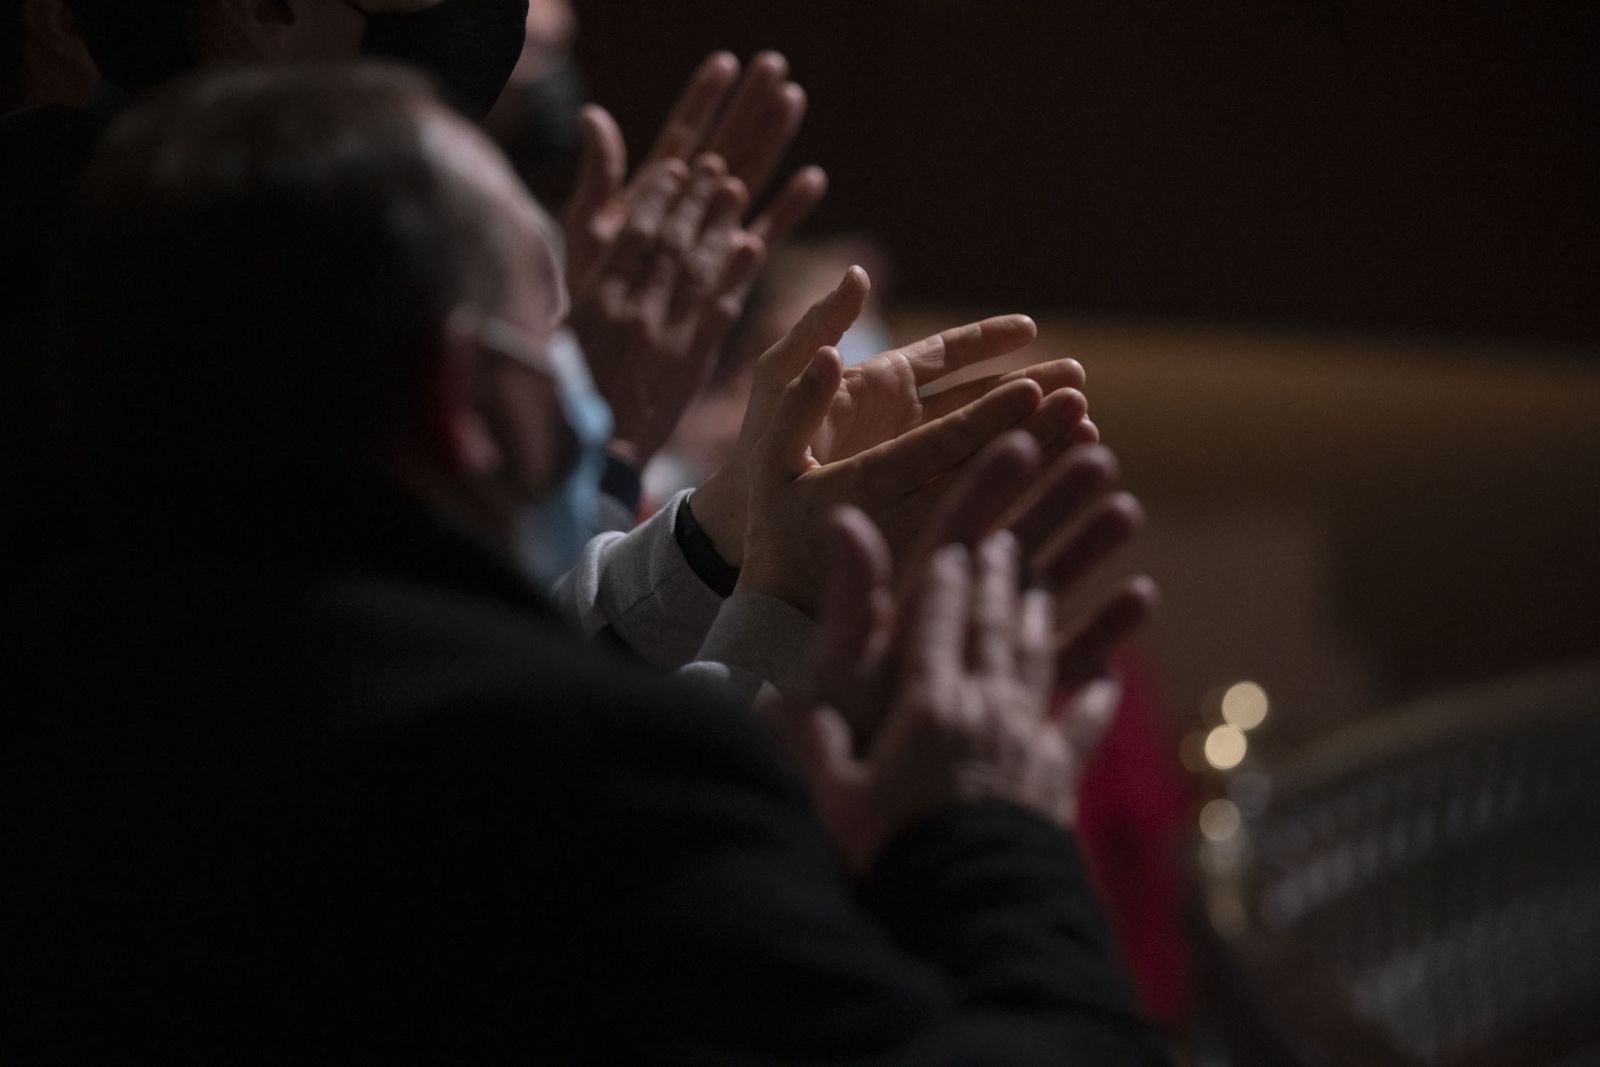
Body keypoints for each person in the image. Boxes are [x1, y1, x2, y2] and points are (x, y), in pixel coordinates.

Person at [4, 63, 1166, 1062]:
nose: (580, 363)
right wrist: (993, 833)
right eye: (545, 319)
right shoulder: (562, 776)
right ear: (463, 398)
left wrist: (745, 555)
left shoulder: (81, 692)